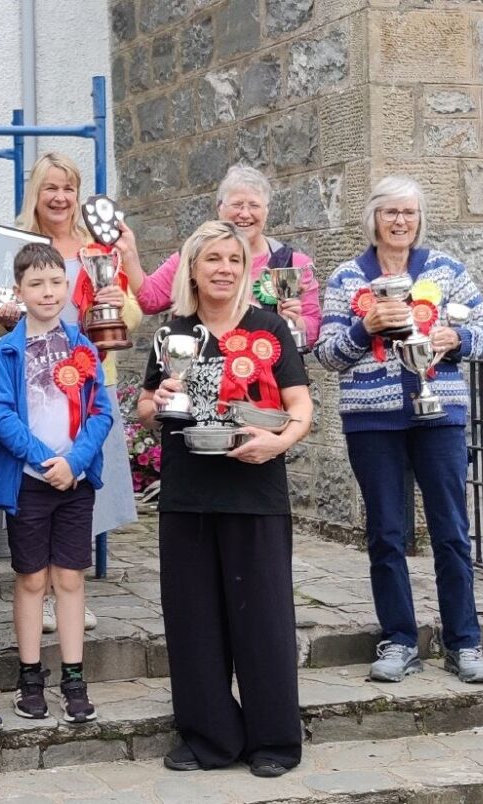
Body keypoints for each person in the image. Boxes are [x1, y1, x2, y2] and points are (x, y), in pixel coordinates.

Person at [139, 220, 312, 777]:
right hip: (187, 494)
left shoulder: (270, 328)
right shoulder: (173, 332)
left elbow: (301, 407)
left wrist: (278, 442)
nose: (224, 269)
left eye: (234, 260)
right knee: (193, 621)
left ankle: (274, 741)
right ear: (192, 268)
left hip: (255, 492)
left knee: (263, 621)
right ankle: (209, 736)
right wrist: (159, 399)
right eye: (212, 259)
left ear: (246, 269)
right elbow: (144, 407)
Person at [314, 176, 483, 685]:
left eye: (409, 213)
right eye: (391, 212)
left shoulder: (445, 269)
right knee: (385, 533)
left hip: (439, 417)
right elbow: (327, 354)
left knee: (451, 531)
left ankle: (464, 642)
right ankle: (398, 640)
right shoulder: (348, 278)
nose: (400, 221)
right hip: (372, 422)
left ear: (419, 219)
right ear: (373, 218)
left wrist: (456, 337)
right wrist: (366, 327)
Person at [0, 151, 141, 633]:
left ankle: (70, 589)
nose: (59, 197)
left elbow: (133, 314)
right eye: (50, 187)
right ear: (35, 192)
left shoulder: (99, 248)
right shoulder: (15, 246)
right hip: (32, 392)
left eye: (68, 187)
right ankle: (44, 597)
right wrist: (2, 315)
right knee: (39, 486)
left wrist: (117, 303)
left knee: (81, 486)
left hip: (88, 384)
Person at [0, 242, 113, 724]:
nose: (47, 292)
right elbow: (2, 416)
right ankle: (30, 677)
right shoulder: (5, 352)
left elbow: (101, 412)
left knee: (70, 578)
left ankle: (74, 678)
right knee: (32, 578)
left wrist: (74, 461)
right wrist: (45, 460)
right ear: (18, 291)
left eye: (56, 282)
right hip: (30, 482)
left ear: (68, 286)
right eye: (35, 283)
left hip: (75, 482)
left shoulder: (83, 345)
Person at [117, 164, 322, 348]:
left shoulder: (293, 263)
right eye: (237, 205)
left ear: (267, 211)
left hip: (272, 372)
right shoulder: (191, 255)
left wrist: (295, 321)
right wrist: (129, 254)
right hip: (202, 366)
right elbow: (150, 299)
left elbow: (314, 329)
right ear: (219, 209)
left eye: (254, 205)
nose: (245, 214)